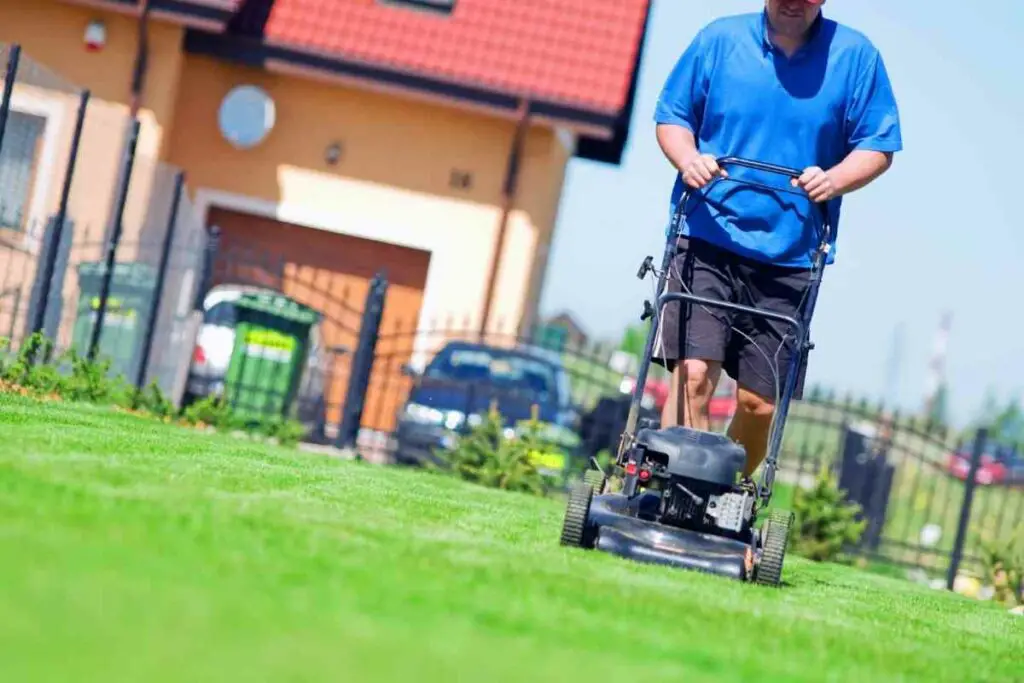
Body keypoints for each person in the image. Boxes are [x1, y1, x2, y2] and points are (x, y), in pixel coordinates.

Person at [651, 0, 902, 480]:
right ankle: (675, 490)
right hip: (707, 233)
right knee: (695, 376)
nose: (793, 2)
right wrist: (688, 159)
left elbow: (878, 144)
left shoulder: (856, 57)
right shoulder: (720, 40)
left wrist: (835, 179)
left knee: (759, 403)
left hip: (791, 255)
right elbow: (672, 116)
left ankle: (723, 497)